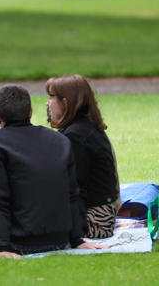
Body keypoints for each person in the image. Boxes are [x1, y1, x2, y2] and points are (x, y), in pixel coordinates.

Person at [0, 84, 104, 257]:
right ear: (30, 112)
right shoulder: (60, 140)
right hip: (59, 238)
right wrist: (77, 240)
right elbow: (73, 194)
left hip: (19, 240)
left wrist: (2, 247)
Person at [46, 75, 121, 239]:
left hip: (95, 220)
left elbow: (75, 188)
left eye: (52, 97)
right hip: (104, 211)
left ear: (65, 103)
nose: (48, 103)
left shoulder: (76, 136)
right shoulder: (86, 127)